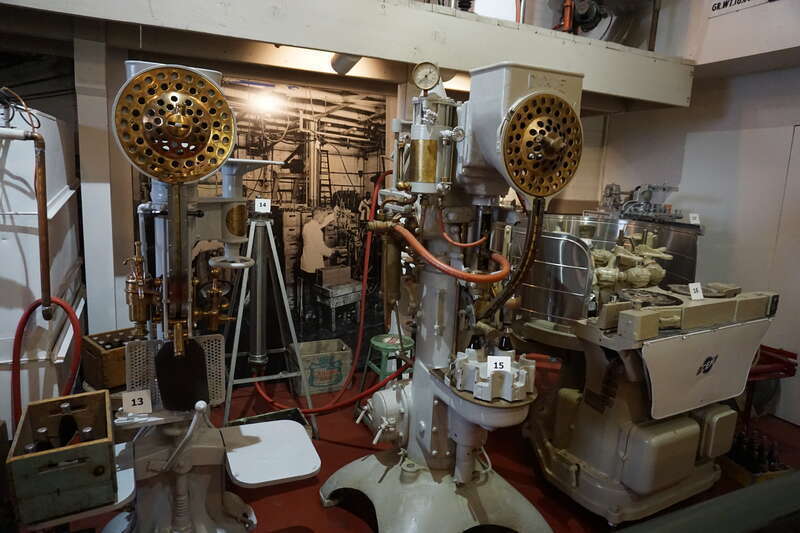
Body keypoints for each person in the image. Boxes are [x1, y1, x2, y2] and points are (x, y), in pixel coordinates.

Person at [299, 208, 335, 319]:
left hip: (304, 264)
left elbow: (322, 224)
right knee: (315, 289)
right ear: (318, 216)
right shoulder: (316, 230)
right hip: (313, 266)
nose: (324, 218)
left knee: (308, 288)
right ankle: (314, 313)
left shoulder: (307, 226)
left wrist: (333, 214)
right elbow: (321, 248)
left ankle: (307, 311)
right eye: (323, 216)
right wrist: (332, 252)